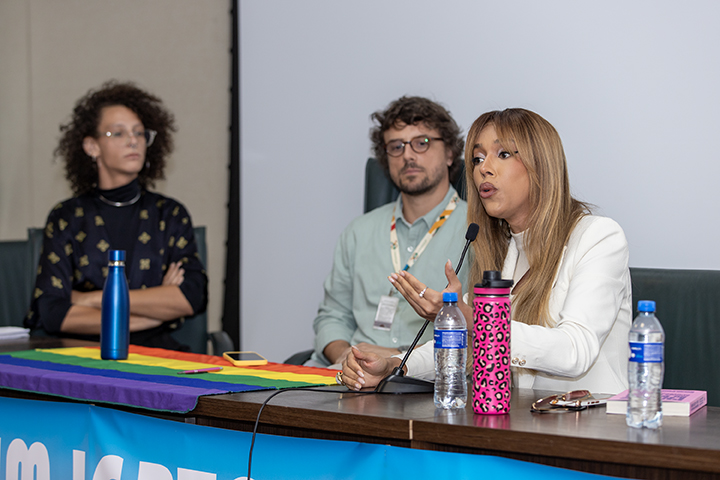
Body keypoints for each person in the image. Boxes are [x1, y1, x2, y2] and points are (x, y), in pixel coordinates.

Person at [340, 108, 631, 394]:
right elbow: (464, 345)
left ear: (541, 164)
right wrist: (395, 367)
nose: (483, 168)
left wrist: (474, 319)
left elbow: (575, 350)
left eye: (502, 154)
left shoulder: (598, 237)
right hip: (524, 425)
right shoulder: (503, 252)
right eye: (477, 158)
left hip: (595, 427)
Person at [24, 81, 207, 350]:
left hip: (159, 355)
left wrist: (91, 299)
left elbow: (191, 298)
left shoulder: (169, 214)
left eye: (139, 132)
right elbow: (53, 313)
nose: (133, 140)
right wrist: (157, 313)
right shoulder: (67, 217)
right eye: (118, 133)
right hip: (82, 354)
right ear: (91, 146)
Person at [310, 96, 469, 367]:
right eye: (396, 146)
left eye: (422, 143)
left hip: (427, 379)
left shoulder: (476, 231)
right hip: (347, 373)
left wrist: (393, 359)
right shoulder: (359, 232)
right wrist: (346, 356)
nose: (407, 155)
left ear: (450, 153)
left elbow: (480, 332)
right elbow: (331, 317)